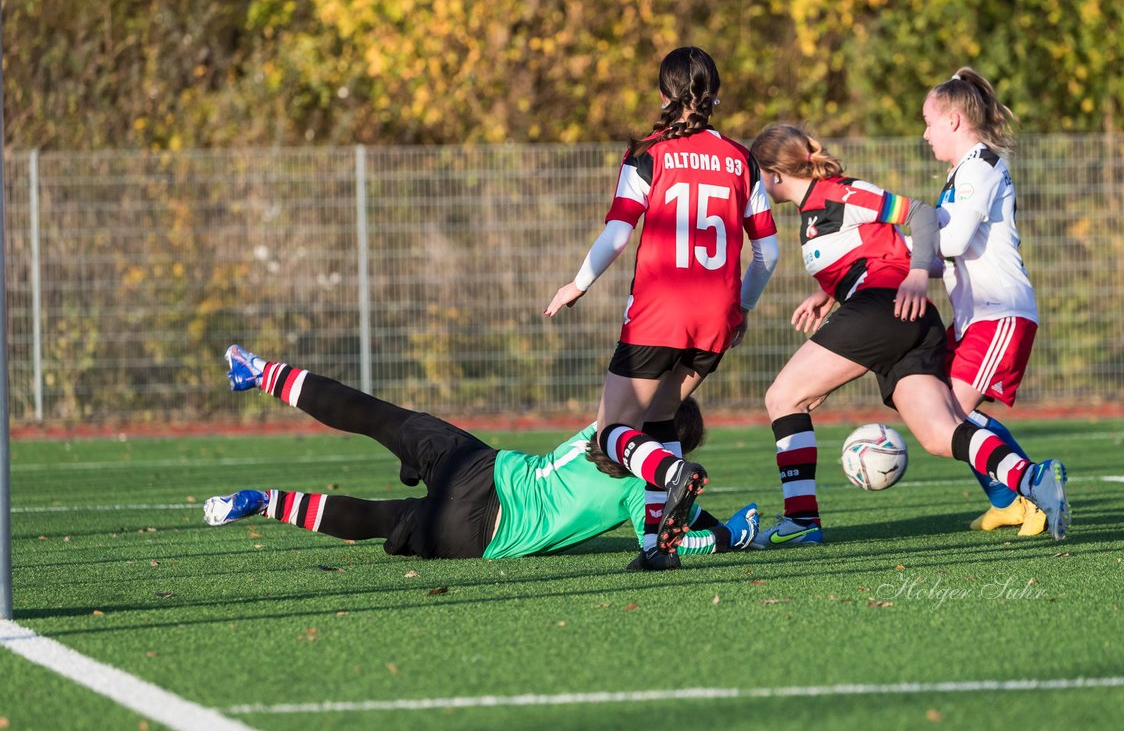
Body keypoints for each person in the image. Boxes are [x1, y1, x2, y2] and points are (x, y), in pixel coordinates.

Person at [743, 124, 1071, 547]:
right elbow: (872, 252)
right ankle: (1032, 478)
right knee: (939, 435)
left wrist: (917, 274)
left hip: (886, 310)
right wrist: (828, 294)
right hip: (900, 319)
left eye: (757, 174)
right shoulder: (813, 211)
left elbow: (920, 213)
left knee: (781, 398)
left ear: (772, 173)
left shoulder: (837, 193)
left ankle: (800, 520)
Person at [543, 46, 779, 568]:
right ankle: (657, 547)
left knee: (609, 438)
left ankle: (675, 476)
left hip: (659, 311)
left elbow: (618, 233)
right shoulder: (743, 159)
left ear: (664, 94)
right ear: (714, 95)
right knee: (660, 421)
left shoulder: (651, 153)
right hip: (716, 315)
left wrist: (577, 284)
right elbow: (769, 251)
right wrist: (741, 308)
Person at [203, 346, 760, 567]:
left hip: (480, 467)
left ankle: (259, 373)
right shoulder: (651, 486)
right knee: (378, 519)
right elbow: (674, 537)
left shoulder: (611, 426)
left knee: (380, 417)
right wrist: (731, 535)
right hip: (483, 535)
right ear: (679, 448)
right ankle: (263, 502)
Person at [920, 67, 1047, 536]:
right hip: (976, 316)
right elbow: (946, 254)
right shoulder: (963, 170)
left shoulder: (980, 165)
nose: (926, 132)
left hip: (1000, 312)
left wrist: (910, 233)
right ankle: (1007, 501)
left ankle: (1033, 494)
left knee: (950, 415)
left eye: (930, 121)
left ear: (953, 120)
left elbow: (950, 239)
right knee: (935, 404)